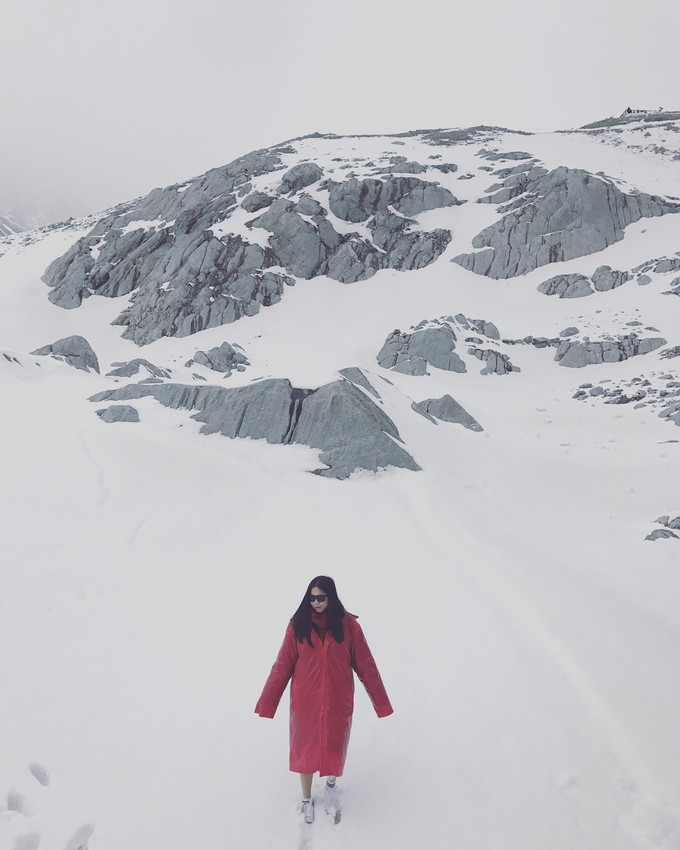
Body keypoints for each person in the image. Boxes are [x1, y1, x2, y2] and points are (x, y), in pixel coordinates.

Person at [255, 575, 393, 824]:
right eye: (312, 597)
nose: (316, 602)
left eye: (321, 597)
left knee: (333, 746)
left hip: (337, 699)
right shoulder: (298, 626)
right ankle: (306, 798)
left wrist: (381, 703)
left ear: (331, 597)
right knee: (304, 751)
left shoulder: (348, 625)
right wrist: (267, 702)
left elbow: (366, 665)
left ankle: (331, 787)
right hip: (305, 701)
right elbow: (282, 666)